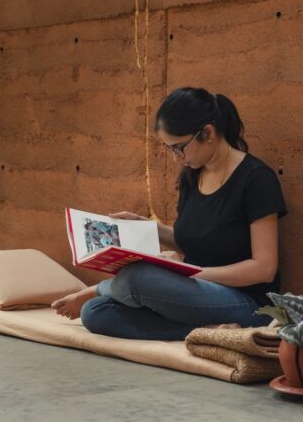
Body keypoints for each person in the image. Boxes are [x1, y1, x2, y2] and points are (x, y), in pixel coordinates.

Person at [50, 87, 287, 341]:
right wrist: (146, 227)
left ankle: (99, 289)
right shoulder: (193, 176)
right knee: (95, 312)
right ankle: (211, 331)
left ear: (207, 133)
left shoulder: (256, 179)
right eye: (170, 149)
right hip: (194, 292)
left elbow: (264, 268)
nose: (176, 158)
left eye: (179, 147)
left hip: (247, 303)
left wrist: (190, 273)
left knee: (137, 279)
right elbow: (199, 239)